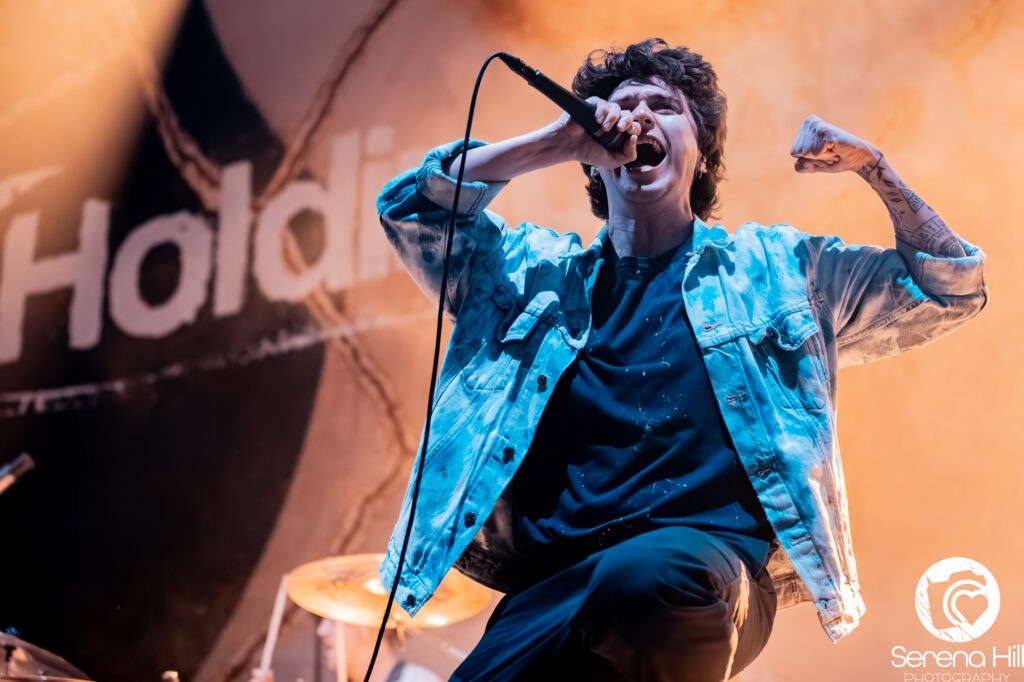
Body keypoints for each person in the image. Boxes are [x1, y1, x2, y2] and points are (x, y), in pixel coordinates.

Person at [376, 38, 986, 681]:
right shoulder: (529, 278)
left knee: (650, 579)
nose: (638, 118)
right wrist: (556, 142)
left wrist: (875, 168)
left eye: (663, 107)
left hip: (707, 571)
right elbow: (410, 208)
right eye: (620, 106)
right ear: (592, 163)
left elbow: (948, 285)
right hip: (552, 594)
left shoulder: (776, 271)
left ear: (700, 157)